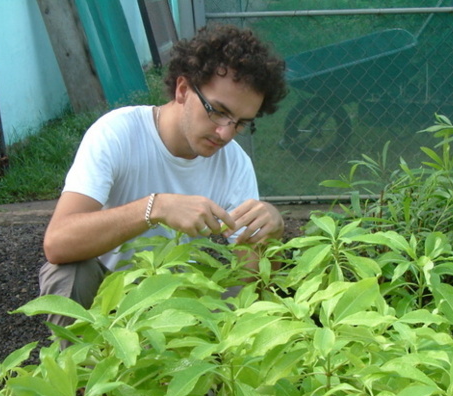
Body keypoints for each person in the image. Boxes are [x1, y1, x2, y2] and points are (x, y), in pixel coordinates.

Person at [38, 24, 288, 323]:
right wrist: (155, 207)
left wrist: (270, 234)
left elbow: (251, 282)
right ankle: (80, 367)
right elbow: (58, 242)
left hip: (182, 297)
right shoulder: (118, 132)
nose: (225, 133)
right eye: (218, 111)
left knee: (242, 302)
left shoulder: (235, 163)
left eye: (241, 122)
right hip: (108, 295)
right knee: (68, 271)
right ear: (183, 89)